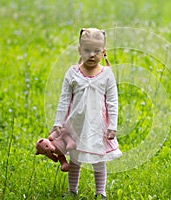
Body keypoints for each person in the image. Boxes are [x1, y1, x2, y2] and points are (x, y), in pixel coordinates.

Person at [51, 28, 122, 199]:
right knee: (75, 158)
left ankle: (101, 192)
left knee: (99, 159)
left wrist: (112, 126)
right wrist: (58, 124)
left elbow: (112, 102)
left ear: (103, 52)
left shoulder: (106, 75)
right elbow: (64, 100)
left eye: (96, 51)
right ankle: (72, 190)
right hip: (76, 124)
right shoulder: (73, 73)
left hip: (98, 125)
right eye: (87, 50)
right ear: (79, 50)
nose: (92, 55)